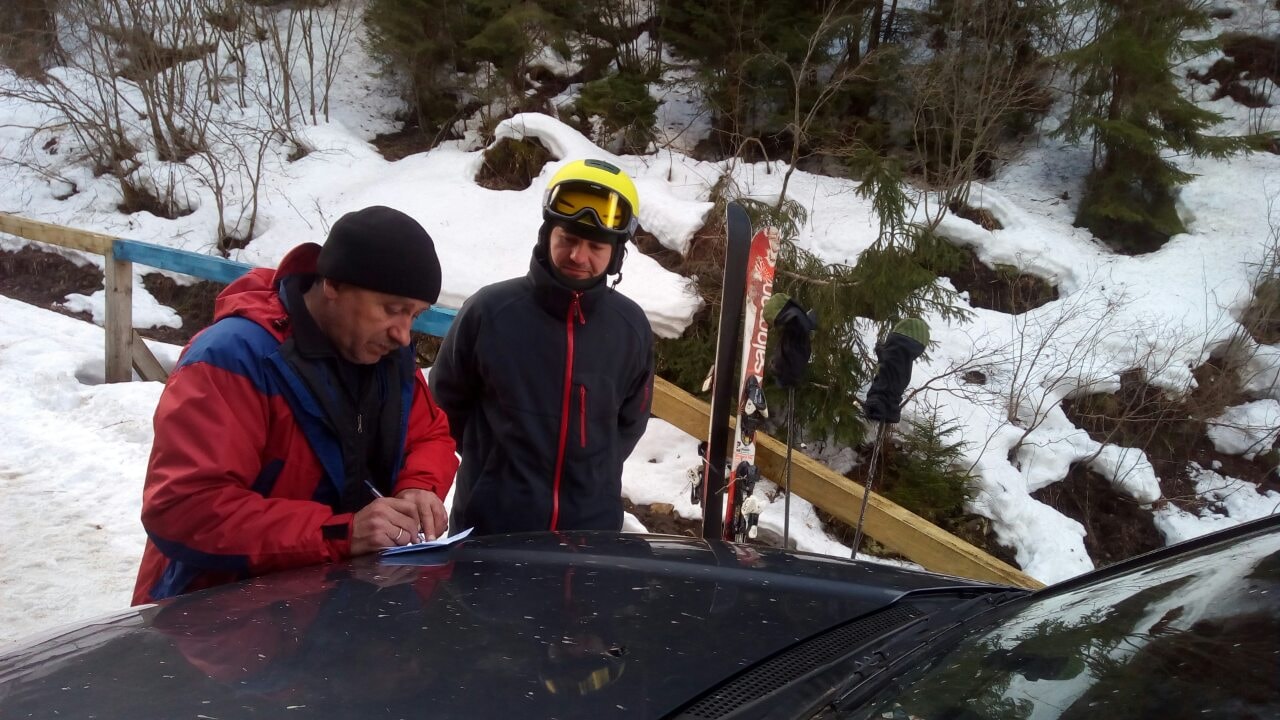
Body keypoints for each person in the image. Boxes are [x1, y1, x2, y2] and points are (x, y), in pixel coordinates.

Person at [133, 206, 459, 605]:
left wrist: (418, 488)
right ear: (334, 285)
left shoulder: (389, 359)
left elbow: (431, 434)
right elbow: (185, 508)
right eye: (391, 309)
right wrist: (341, 533)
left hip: (338, 613)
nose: (404, 335)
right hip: (217, 623)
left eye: (415, 315)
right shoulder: (231, 357)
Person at [430, 158, 654, 535]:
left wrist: (590, 475)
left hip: (590, 536)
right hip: (491, 531)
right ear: (547, 234)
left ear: (616, 254)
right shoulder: (490, 312)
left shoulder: (630, 328)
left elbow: (629, 424)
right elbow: (444, 407)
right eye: (567, 238)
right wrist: (496, 471)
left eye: (596, 246)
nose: (578, 257)